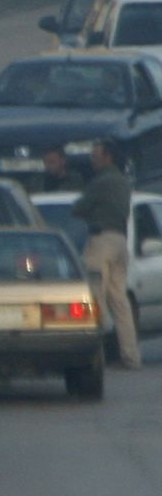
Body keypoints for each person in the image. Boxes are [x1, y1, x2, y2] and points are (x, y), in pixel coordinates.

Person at [73, 139, 141, 369]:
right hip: (121, 242)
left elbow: (79, 208)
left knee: (95, 300)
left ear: (107, 157)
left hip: (100, 242)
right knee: (120, 301)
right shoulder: (123, 182)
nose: (92, 160)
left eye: (95, 156)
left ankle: (96, 357)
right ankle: (131, 356)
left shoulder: (100, 181)